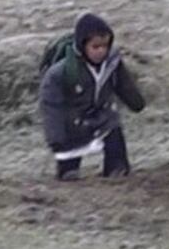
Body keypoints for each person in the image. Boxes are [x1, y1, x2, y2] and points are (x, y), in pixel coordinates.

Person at [38, 13, 145, 180]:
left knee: (115, 144)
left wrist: (136, 102)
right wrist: (55, 137)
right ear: (83, 45)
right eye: (95, 47)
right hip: (72, 123)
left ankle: (116, 171)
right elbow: (51, 105)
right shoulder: (60, 72)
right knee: (68, 174)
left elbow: (123, 85)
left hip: (103, 117)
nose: (101, 51)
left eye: (105, 46)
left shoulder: (112, 62)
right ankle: (68, 175)